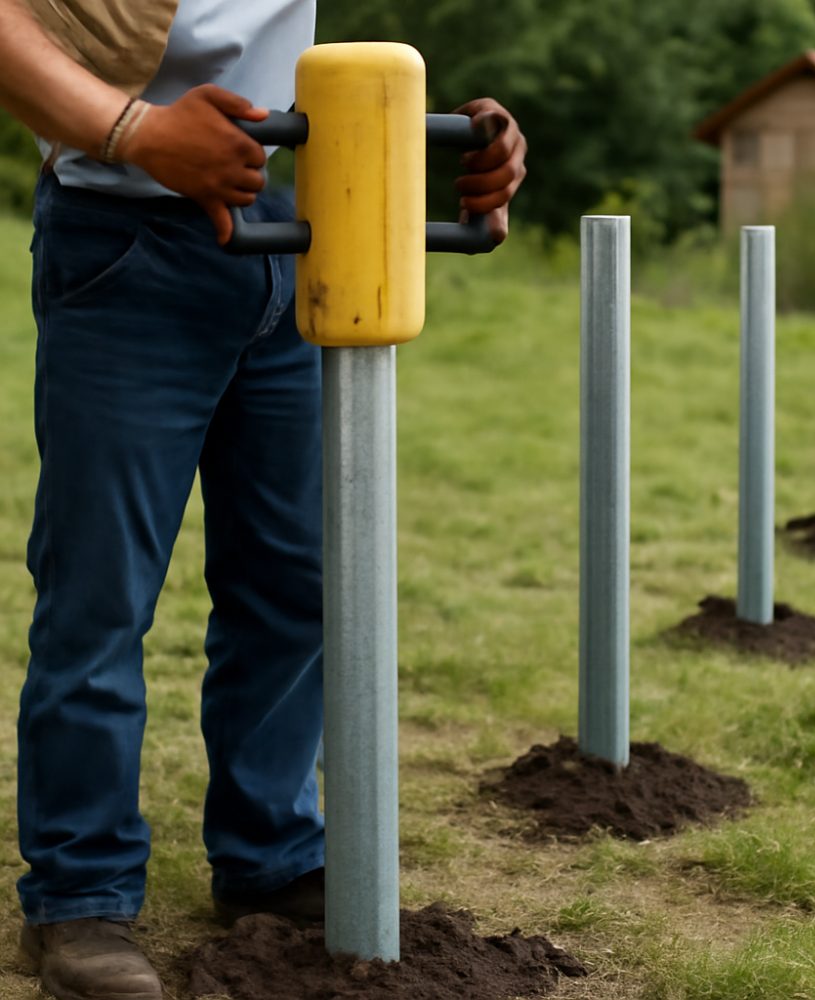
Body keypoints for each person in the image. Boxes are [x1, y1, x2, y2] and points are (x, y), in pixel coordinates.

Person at [0, 2, 528, 998]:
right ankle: (81, 894)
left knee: (294, 581)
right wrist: (139, 132)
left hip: (295, 226)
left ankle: (270, 853)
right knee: (101, 595)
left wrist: (453, 126)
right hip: (123, 243)